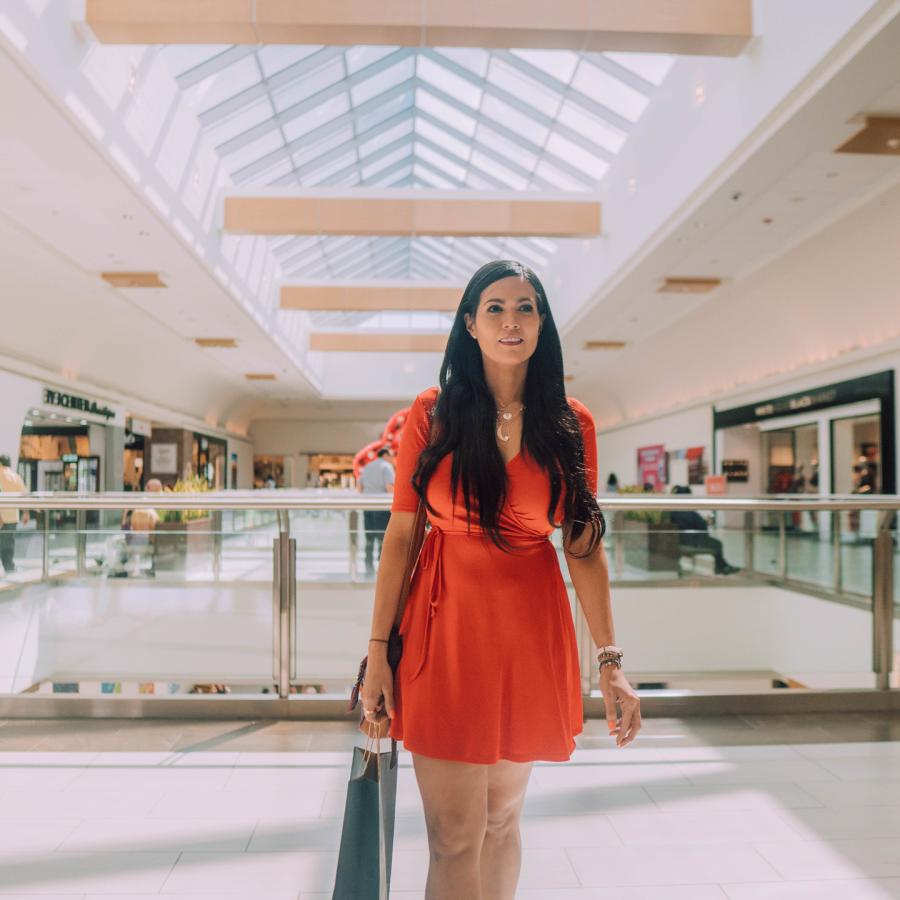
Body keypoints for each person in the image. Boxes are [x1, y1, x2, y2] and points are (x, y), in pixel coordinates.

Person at [360, 260, 640, 900]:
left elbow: (584, 547)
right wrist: (377, 651)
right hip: (442, 627)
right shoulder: (432, 413)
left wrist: (610, 660)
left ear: (542, 324)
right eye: (495, 307)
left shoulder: (572, 422)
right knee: (453, 834)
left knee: (501, 819)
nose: (511, 320)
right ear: (470, 323)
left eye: (526, 307)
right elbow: (402, 537)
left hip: (527, 630)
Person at [670, 485, 739, 574]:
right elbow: (703, 529)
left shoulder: (671, 512)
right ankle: (721, 567)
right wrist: (705, 522)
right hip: (692, 543)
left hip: (677, 542)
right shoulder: (690, 513)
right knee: (717, 544)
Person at [357, 447, 394, 575]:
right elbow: (390, 488)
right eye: (391, 456)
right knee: (383, 538)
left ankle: (368, 567)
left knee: (369, 538)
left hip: (367, 507)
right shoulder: (386, 466)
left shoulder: (367, 467)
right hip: (382, 507)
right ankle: (381, 569)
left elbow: (359, 488)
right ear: (385, 455)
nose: (392, 459)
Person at [0, 454, 28, 575]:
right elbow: (23, 495)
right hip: (11, 517)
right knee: (8, 542)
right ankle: (9, 567)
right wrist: (25, 513)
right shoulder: (15, 476)